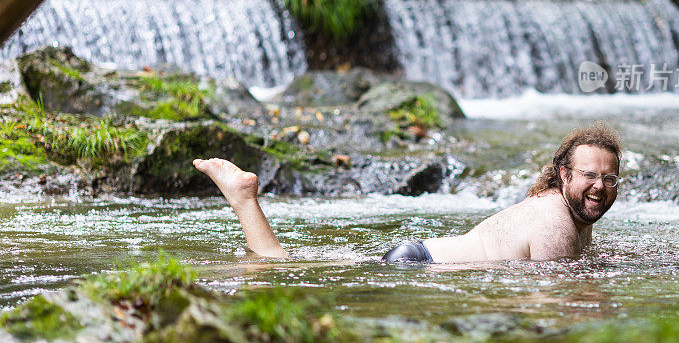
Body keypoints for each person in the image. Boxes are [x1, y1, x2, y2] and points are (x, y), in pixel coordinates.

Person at [193, 122, 622, 263]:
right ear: (563, 174)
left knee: (307, 264)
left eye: (609, 179)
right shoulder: (555, 223)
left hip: (418, 256)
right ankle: (244, 198)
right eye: (589, 176)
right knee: (281, 271)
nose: (599, 188)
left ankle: (245, 200)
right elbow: (559, 305)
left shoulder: (567, 213)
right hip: (417, 266)